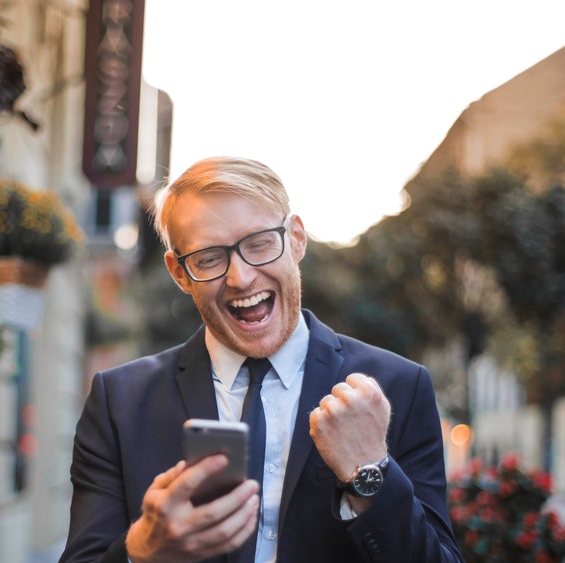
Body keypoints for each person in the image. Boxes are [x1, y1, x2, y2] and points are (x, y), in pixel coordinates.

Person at [59, 157, 462, 563]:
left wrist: (369, 473)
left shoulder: (400, 388)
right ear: (179, 273)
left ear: (297, 239)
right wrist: (142, 549)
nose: (241, 277)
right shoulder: (119, 401)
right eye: (209, 258)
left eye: (259, 243)